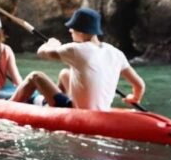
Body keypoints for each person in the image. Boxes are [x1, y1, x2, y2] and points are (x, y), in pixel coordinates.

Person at [10, 7, 145, 110]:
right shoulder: (116, 53)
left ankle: (8, 106)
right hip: (101, 110)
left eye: (72, 28)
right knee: (65, 73)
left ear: (80, 32)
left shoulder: (76, 49)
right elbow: (139, 85)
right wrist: (134, 98)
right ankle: (50, 108)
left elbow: (41, 52)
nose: (70, 31)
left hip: (77, 110)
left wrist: (51, 43)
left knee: (35, 76)